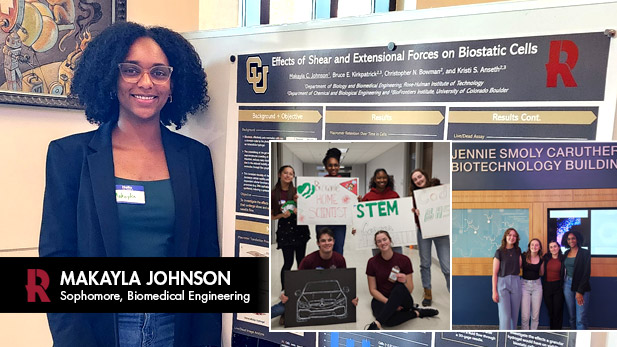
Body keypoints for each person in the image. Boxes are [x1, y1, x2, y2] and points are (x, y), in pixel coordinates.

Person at [38, 22, 220, 346]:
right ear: (112, 77)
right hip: (100, 330)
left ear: (173, 83)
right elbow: (56, 261)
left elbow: (206, 259)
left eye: (159, 72)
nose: (146, 83)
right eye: (131, 70)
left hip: (174, 330)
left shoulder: (195, 158)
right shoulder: (69, 156)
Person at [271, 227, 357, 322]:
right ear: (318, 243)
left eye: (329, 240)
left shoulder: (340, 259)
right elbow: (297, 280)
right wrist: (285, 294)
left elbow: (343, 280)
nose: (327, 243)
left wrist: (351, 297)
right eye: (323, 241)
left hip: (332, 297)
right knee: (280, 309)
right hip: (309, 298)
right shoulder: (308, 260)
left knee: (349, 305)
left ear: (334, 241)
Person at [365, 230, 438, 330]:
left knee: (399, 287)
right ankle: (416, 313)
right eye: (379, 241)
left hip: (403, 298)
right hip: (382, 299)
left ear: (390, 240)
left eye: (384, 239)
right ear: (376, 245)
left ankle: (377, 323)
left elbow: (410, 289)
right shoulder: (372, 262)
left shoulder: (404, 260)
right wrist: (390, 303)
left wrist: (404, 281)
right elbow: (372, 290)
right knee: (388, 322)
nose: (382, 243)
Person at [409, 168, 450, 306]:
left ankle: (452, 292)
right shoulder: (415, 196)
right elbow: (414, 218)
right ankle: (427, 293)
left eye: (419, 177)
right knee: (425, 264)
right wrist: (415, 212)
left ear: (425, 176)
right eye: (415, 179)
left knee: (446, 265)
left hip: (441, 232)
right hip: (423, 231)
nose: (418, 180)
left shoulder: (439, 188)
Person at [271, 165, 310, 295]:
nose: (288, 175)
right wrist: (282, 215)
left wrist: (300, 209)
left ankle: (303, 287)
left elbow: (309, 210)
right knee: (288, 262)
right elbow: (271, 216)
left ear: (293, 176)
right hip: (285, 231)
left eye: (291, 174)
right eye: (285, 173)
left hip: (299, 229)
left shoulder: (297, 192)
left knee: (301, 260)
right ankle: (285, 289)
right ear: (279, 174)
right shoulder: (273, 194)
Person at [360, 168, 402, 255]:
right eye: (379, 178)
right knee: (378, 261)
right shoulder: (368, 197)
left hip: (394, 235)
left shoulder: (394, 195)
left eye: (384, 177)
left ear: (388, 178)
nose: (382, 180)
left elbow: (401, 214)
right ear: (374, 180)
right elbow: (362, 218)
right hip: (376, 235)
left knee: (398, 259)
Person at [316, 148, 349, 254]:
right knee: (324, 250)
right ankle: (324, 270)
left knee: (338, 250)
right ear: (326, 167)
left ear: (339, 166)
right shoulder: (319, 183)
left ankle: (337, 270)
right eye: (330, 165)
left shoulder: (346, 184)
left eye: (336, 165)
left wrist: (356, 200)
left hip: (339, 222)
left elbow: (349, 203)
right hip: (322, 222)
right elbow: (312, 201)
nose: (333, 168)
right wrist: (301, 199)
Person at [492, 228, 522, 330]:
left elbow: (520, 266)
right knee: (505, 316)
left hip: (516, 282)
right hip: (502, 282)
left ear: (516, 238)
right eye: (509, 235)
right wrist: (494, 291)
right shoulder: (499, 252)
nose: (512, 237)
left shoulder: (518, 251)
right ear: (505, 236)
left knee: (514, 315)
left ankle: (512, 338)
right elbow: (494, 274)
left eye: (514, 236)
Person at [562, 229, 591, 330]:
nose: (571, 241)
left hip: (581, 287)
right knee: (572, 317)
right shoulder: (565, 253)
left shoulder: (585, 253)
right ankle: (574, 340)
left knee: (581, 319)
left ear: (577, 239)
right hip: (567, 285)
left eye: (573, 238)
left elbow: (586, 273)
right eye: (569, 239)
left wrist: (580, 291)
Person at [520, 238, 544, 330]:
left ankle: (533, 334)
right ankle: (525, 335)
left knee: (535, 315)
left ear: (540, 247)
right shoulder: (523, 256)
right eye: (532, 245)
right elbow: (518, 268)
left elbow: (542, 273)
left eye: (537, 245)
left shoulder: (541, 259)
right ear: (529, 246)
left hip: (537, 286)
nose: (534, 247)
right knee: (525, 316)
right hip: (524, 286)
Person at [542, 240, 565, 330]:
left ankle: (558, 330)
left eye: (555, 246)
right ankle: (552, 330)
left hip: (558, 287)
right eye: (551, 247)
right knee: (550, 311)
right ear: (549, 249)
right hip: (547, 287)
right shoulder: (546, 258)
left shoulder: (563, 258)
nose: (553, 248)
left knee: (557, 311)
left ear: (558, 247)